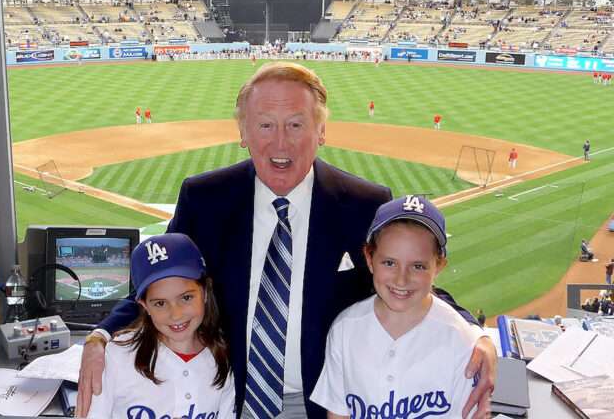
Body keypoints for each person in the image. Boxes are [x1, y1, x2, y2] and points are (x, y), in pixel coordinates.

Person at [77, 62, 496, 419]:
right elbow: (156, 281)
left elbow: (406, 277)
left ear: (321, 130)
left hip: (322, 402)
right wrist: (100, 336)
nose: (280, 143)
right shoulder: (205, 198)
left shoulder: (361, 202)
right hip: (226, 397)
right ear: (243, 132)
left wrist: (474, 332)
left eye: (296, 124)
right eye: (265, 125)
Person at [310, 195, 482, 419]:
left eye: (418, 266)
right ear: (369, 259)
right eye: (389, 263)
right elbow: (338, 413)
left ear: (438, 266)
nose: (402, 280)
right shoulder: (345, 329)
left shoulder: (460, 341)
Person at [86, 233, 235, 418]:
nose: (176, 314)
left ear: (205, 292)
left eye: (186, 297)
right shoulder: (116, 356)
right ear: (144, 305)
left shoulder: (223, 357)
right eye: (160, 303)